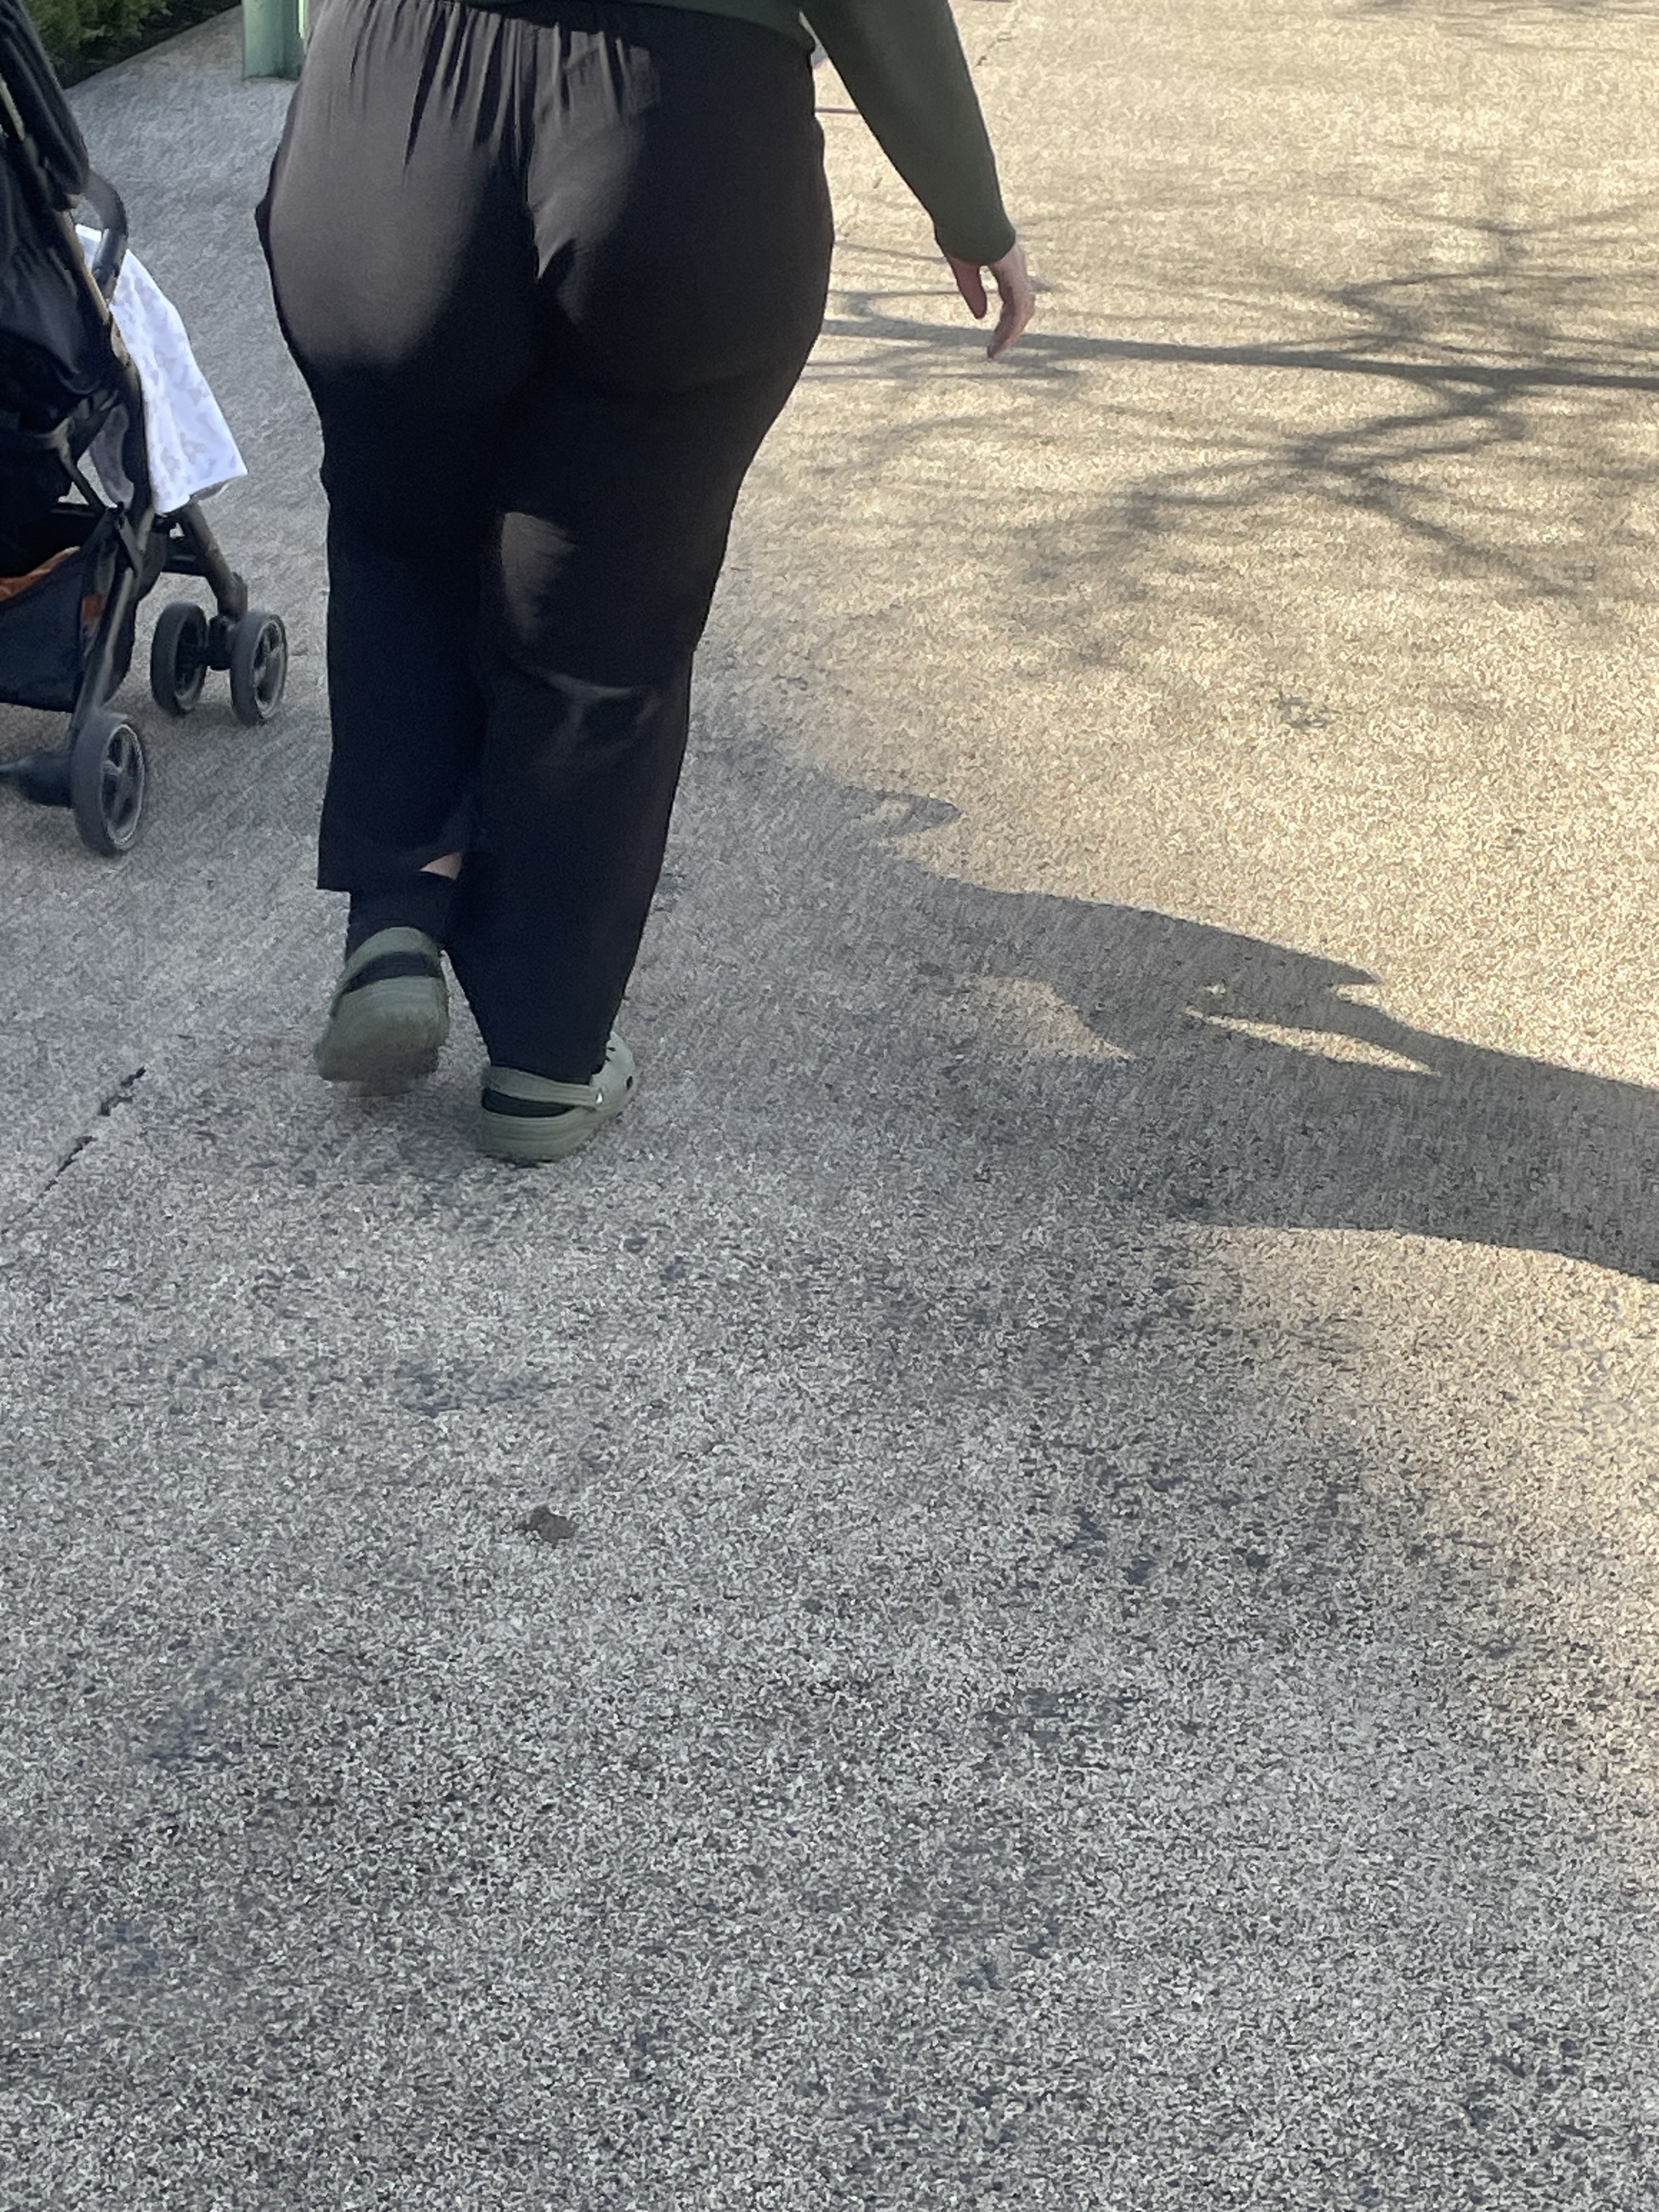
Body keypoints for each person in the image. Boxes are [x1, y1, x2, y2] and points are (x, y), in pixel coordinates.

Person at [257, 0, 1035, 1165]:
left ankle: (400, 913)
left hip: (389, 96)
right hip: (676, 109)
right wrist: (966, 201)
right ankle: (543, 1060)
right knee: (601, 612)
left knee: (399, 534)